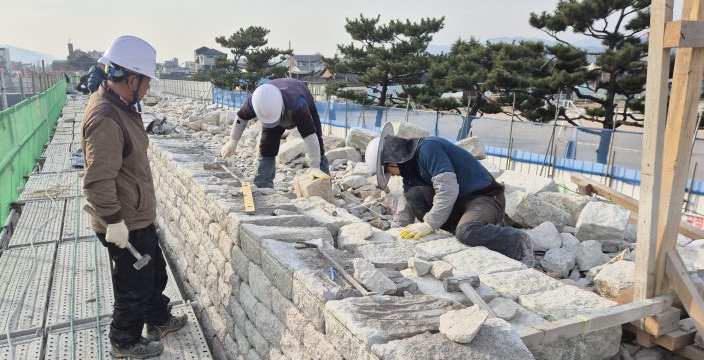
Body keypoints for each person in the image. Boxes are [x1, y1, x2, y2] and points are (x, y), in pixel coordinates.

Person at [81, 35, 187, 359]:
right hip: (122, 221)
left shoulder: (121, 106)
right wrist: (114, 222)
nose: (149, 89)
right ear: (131, 79)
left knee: (152, 274)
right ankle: (124, 340)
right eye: (146, 82)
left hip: (136, 214)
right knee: (133, 286)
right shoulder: (106, 118)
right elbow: (97, 180)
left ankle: (158, 320)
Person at [365, 122, 534, 266]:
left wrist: (429, 224)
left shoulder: (429, 149)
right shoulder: (408, 168)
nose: (392, 175)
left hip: (484, 198)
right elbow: (408, 199)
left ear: (393, 160)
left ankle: (517, 240)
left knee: (467, 231)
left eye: (388, 170)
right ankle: (466, 231)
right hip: (458, 203)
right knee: (414, 195)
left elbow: (448, 189)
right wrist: (398, 232)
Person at [220, 78, 330, 188]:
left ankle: (322, 180)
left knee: (318, 143)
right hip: (277, 109)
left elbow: (310, 136)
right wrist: (232, 142)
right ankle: (263, 184)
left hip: (297, 99)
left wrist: (314, 165)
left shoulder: (299, 106)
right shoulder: (256, 101)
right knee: (267, 145)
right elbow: (241, 118)